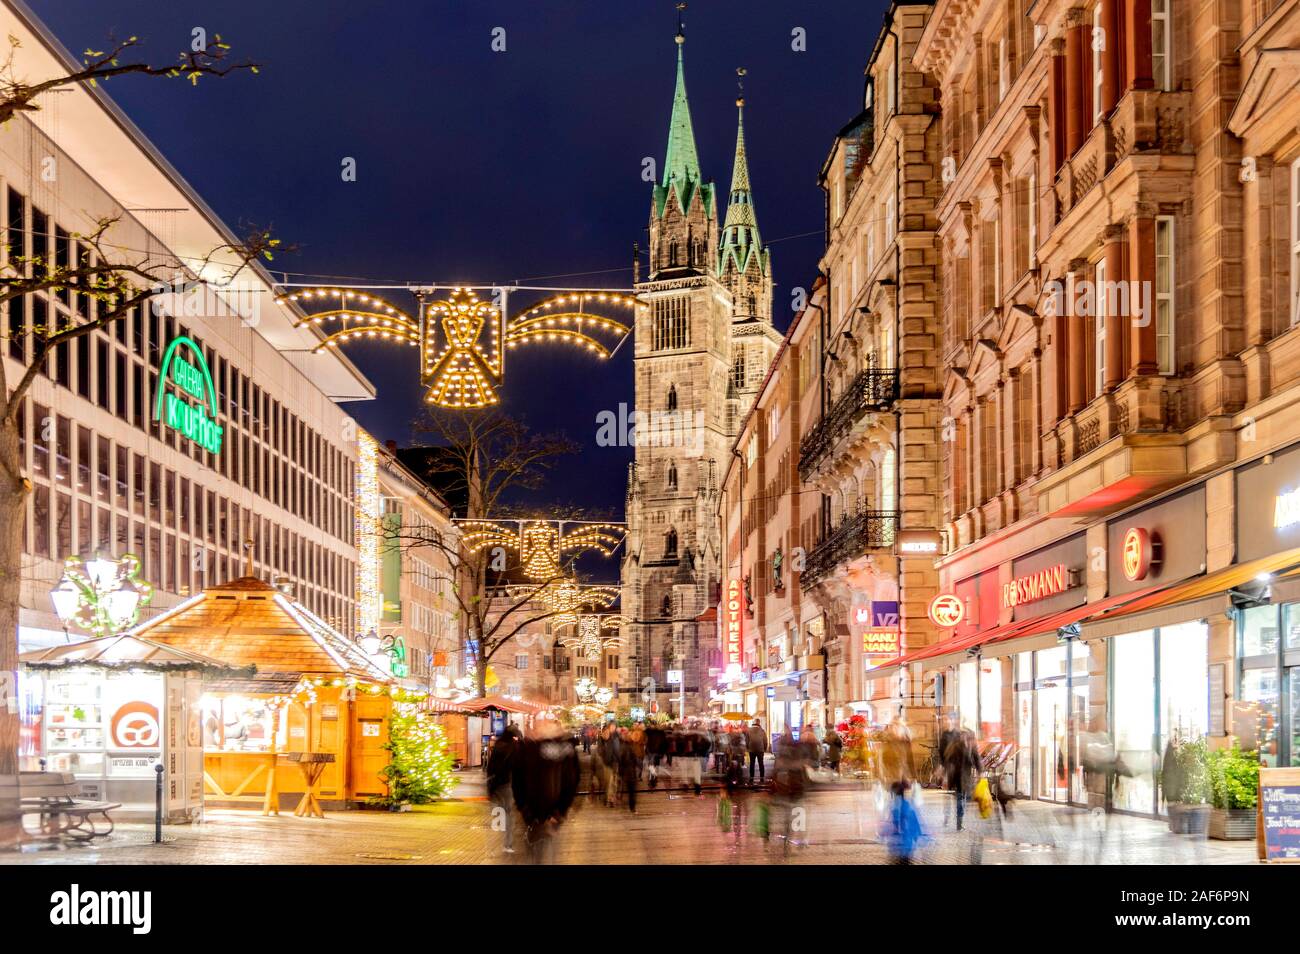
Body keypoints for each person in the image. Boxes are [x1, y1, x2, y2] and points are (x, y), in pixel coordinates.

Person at [511, 717, 579, 864]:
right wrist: (524, 809)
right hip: (532, 816)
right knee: (534, 855)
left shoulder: (564, 749)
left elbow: (571, 781)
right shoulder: (527, 748)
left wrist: (560, 811)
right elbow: (517, 780)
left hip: (552, 817)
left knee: (547, 854)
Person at [485, 725, 520, 854]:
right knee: (509, 814)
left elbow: (490, 766)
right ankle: (507, 844)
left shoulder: (498, 745)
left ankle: (493, 845)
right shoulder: (514, 747)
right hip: (506, 784)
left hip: (495, 784)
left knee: (498, 813)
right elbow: (517, 768)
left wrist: (489, 785)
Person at [942, 726, 981, 831]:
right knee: (960, 798)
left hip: (966, 777)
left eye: (967, 736)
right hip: (956, 776)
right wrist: (945, 774)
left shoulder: (971, 746)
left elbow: (976, 758)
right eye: (963, 736)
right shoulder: (955, 745)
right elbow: (947, 759)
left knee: (964, 798)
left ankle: (959, 818)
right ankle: (959, 822)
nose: (964, 738)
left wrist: (979, 771)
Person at [746, 719, 768, 785]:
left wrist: (748, 748)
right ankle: (762, 779)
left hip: (751, 749)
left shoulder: (748, 730)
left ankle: (751, 778)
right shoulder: (762, 730)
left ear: (753, 723)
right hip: (760, 750)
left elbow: (747, 740)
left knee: (752, 764)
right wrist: (764, 748)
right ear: (759, 723)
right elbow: (765, 741)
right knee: (761, 764)